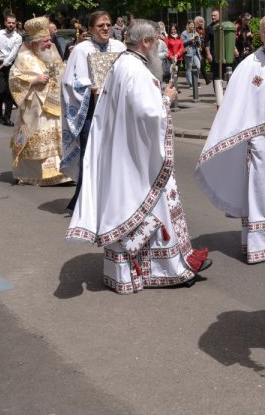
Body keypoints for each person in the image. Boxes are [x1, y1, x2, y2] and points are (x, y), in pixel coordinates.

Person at [67, 20, 211, 294]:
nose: (158, 45)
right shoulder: (135, 70)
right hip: (139, 159)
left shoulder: (122, 64)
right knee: (154, 208)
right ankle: (168, 270)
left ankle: (130, 274)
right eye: (156, 40)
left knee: (128, 207)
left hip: (125, 153)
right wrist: (167, 98)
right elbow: (149, 114)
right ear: (145, 42)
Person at [197, 13, 265, 264]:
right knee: (262, 192)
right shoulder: (249, 65)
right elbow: (236, 103)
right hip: (261, 141)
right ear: (260, 35)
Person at [60, 10, 124, 206]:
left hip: (115, 110)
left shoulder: (119, 47)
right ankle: (83, 202)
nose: (105, 28)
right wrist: (89, 88)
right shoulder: (81, 50)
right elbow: (69, 81)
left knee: (116, 155)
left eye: (108, 24)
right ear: (90, 29)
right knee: (89, 154)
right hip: (90, 110)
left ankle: (113, 200)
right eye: (100, 25)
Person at [7, 17, 72, 186]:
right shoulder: (24, 56)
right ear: (35, 43)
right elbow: (14, 77)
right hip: (35, 106)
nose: (50, 44)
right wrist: (34, 79)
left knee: (57, 137)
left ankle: (60, 173)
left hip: (55, 101)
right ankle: (35, 175)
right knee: (38, 137)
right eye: (46, 41)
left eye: (50, 40)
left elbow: (61, 72)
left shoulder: (52, 53)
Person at [0, 15, 22, 125]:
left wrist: (0, 67)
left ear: (15, 24)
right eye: (9, 22)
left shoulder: (18, 37)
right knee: (0, 91)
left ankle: (7, 117)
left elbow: (12, 55)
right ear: (5, 23)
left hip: (11, 64)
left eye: (13, 23)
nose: (11, 25)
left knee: (9, 92)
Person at [181, 20, 203, 102]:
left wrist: (197, 40)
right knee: (189, 68)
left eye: (193, 25)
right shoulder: (184, 33)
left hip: (195, 52)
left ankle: (195, 81)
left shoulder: (195, 32)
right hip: (188, 52)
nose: (192, 26)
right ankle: (191, 84)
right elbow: (182, 43)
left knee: (198, 66)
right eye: (190, 25)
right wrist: (190, 39)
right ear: (188, 25)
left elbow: (199, 43)